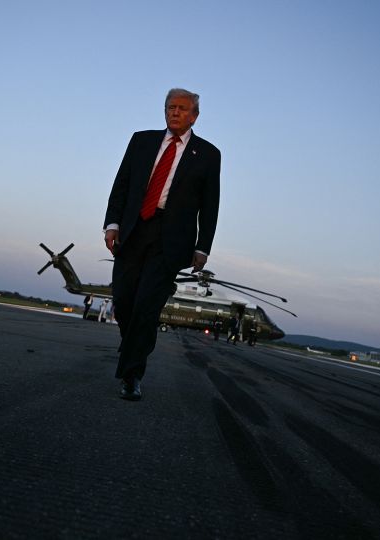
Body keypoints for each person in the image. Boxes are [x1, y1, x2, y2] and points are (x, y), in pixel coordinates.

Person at [104, 88, 221, 401]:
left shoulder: (209, 155)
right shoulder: (141, 140)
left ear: (194, 115)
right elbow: (122, 184)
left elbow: (211, 206)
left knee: (146, 308)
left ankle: (132, 376)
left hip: (171, 240)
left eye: (182, 108)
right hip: (134, 231)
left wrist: (202, 247)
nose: (175, 112)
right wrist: (112, 223)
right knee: (125, 300)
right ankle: (131, 343)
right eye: (171, 107)